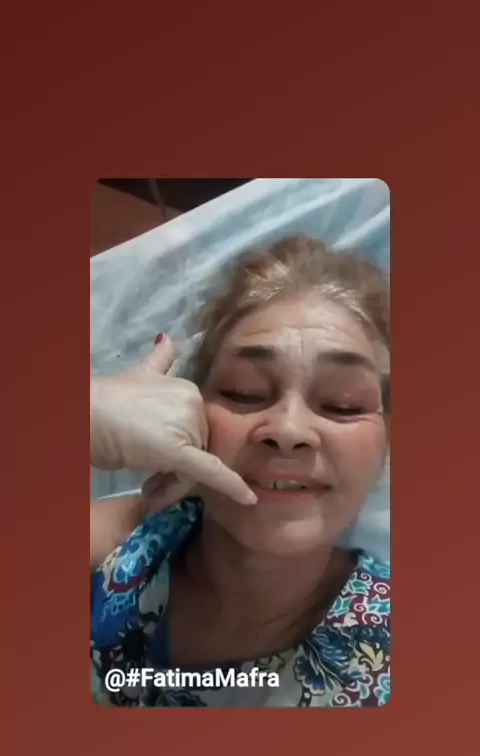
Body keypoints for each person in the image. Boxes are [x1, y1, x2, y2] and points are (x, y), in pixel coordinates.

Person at [90, 235, 390, 707]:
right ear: (188, 411)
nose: (288, 429)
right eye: (243, 392)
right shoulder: (120, 543)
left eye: (343, 403)